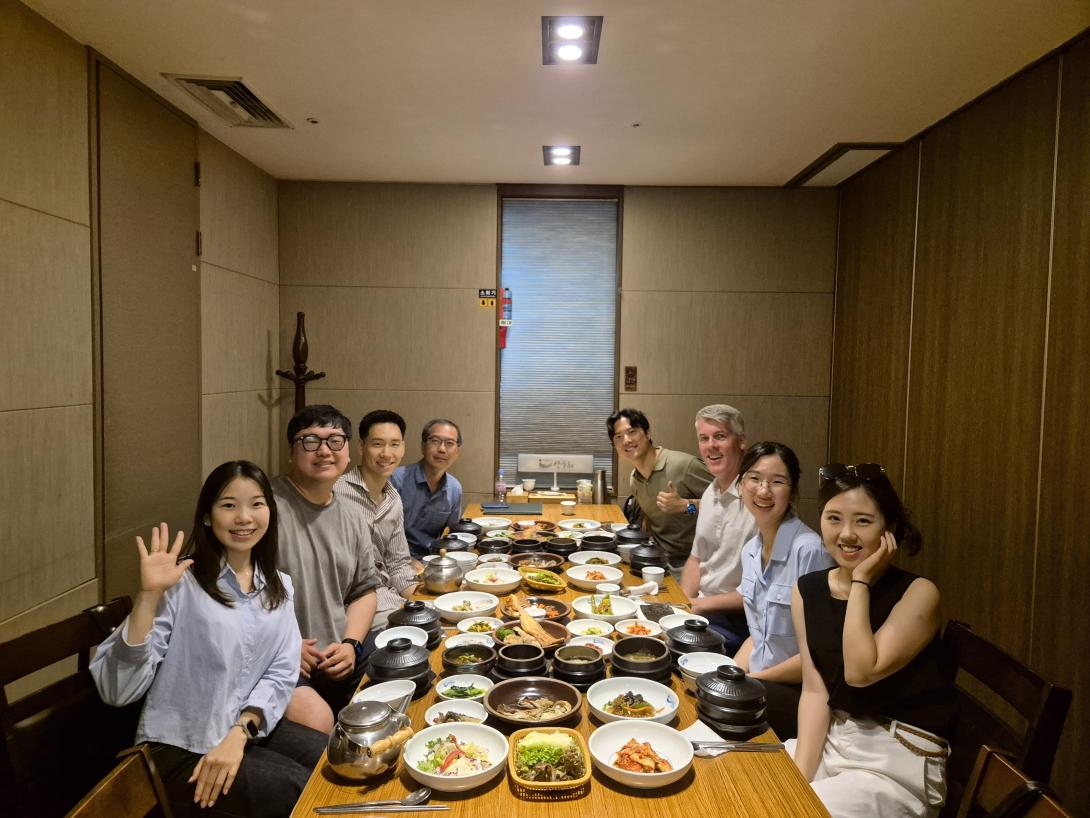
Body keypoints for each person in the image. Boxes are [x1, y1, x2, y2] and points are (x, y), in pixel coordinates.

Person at [90, 461, 327, 818]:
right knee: (298, 791)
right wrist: (149, 595)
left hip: (244, 730)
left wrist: (240, 732)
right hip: (178, 747)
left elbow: (280, 672)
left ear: (270, 512)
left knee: (332, 758)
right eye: (228, 505)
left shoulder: (278, 586)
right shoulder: (182, 585)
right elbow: (117, 690)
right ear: (206, 516)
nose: (244, 517)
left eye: (256, 504)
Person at [789, 463, 955, 818]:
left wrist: (861, 581)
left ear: (889, 529)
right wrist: (798, 781)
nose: (846, 533)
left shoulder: (919, 593)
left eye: (863, 521)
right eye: (834, 518)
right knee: (750, 789)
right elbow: (816, 691)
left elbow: (861, 672)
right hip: (836, 740)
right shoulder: (807, 591)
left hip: (897, 759)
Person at [274, 404, 381, 733]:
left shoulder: (353, 514)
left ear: (348, 451)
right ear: (292, 451)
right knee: (319, 723)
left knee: (406, 663)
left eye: (335, 440)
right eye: (309, 441)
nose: (324, 450)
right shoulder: (265, 507)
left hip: (338, 653)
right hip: (279, 659)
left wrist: (351, 644)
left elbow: (364, 590)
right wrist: (286, 647)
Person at [733, 441, 835, 738]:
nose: (764, 491)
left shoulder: (810, 550)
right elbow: (758, 634)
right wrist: (729, 673)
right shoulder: (751, 550)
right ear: (740, 485)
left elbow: (819, 654)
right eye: (754, 479)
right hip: (761, 683)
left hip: (801, 693)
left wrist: (752, 681)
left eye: (777, 482)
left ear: (791, 491)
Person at [680, 404, 756, 654]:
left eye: (720, 436)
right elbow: (695, 558)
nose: (710, 445)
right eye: (704, 438)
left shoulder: (758, 498)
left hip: (738, 621)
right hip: (702, 608)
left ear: (741, 441)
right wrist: (682, 603)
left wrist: (698, 605)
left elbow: (758, 590)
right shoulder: (710, 491)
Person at [336, 410, 419, 634]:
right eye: (378, 444)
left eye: (394, 444)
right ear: (362, 447)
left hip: (389, 599)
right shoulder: (337, 493)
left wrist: (425, 600)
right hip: (353, 605)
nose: (386, 453)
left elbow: (398, 564)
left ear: (403, 447)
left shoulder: (393, 499)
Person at [607, 407, 713, 574]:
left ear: (648, 433)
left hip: (694, 563)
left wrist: (686, 506)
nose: (626, 440)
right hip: (657, 559)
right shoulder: (635, 478)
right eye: (618, 437)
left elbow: (732, 503)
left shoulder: (683, 466)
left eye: (632, 432)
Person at [390, 418, 464, 561]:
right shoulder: (396, 480)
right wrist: (408, 561)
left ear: (457, 451)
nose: (442, 449)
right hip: (397, 561)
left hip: (434, 560)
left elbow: (450, 536)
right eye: (435, 441)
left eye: (449, 443)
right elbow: (382, 536)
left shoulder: (455, 488)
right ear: (423, 446)